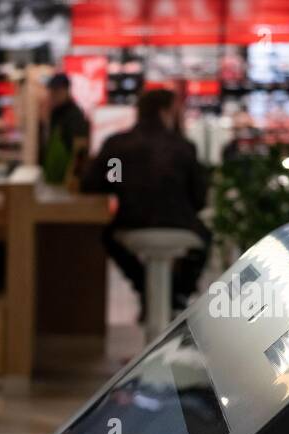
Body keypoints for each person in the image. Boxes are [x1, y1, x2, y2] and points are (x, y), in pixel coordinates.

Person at [81, 88, 210, 319]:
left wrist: (124, 183)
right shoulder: (184, 147)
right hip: (180, 225)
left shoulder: (117, 145)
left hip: (131, 222)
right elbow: (199, 198)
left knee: (108, 236)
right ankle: (178, 293)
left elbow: (100, 184)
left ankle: (144, 287)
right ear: (167, 111)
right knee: (205, 238)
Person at [42, 73, 90, 185]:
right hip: (53, 179)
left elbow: (80, 147)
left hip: (65, 181)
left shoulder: (74, 115)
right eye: (51, 91)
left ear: (66, 90)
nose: (52, 95)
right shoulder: (55, 113)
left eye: (56, 91)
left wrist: (73, 176)